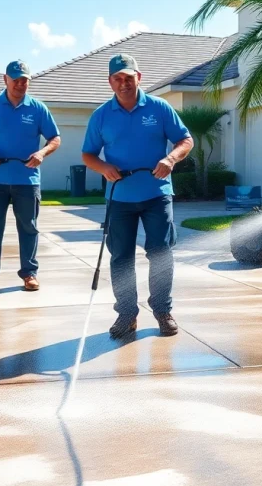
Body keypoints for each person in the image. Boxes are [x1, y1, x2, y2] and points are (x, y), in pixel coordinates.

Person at [81, 53, 194, 338]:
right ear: (110, 82)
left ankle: (162, 311)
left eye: (129, 78)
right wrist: (104, 167)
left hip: (157, 195)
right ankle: (127, 314)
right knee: (121, 258)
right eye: (117, 78)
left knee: (161, 254)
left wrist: (171, 159)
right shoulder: (101, 115)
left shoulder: (159, 108)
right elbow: (88, 154)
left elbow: (185, 140)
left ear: (138, 78)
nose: (124, 83)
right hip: (119, 198)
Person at [0, 59, 61, 293]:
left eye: (24, 80)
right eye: (16, 80)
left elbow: (55, 138)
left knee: (29, 228)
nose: (20, 84)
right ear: (5, 79)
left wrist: (42, 153)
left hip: (27, 181)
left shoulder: (38, 108)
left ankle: (29, 273)